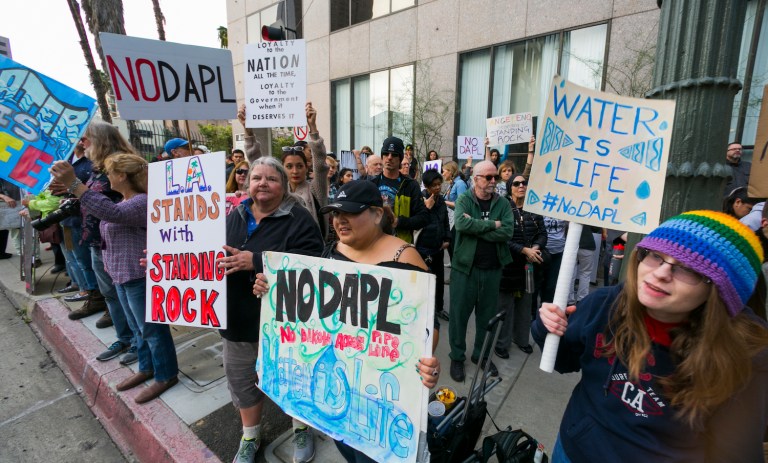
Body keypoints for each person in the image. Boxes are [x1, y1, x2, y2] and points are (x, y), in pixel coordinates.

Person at [534, 210, 768, 462]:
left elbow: (734, 452)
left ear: (723, 292)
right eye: (655, 255)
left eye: (687, 269)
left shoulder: (744, 358)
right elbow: (563, 361)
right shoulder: (605, 304)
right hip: (574, 452)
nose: (661, 273)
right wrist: (546, 327)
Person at [252, 179, 440, 463]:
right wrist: (271, 288)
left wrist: (425, 362)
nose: (340, 220)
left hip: (379, 401)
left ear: (377, 214)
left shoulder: (406, 257)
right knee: (348, 452)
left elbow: (429, 326)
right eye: (336, 213)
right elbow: (309, 306)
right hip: (340, 400)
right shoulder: (331, 251)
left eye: (349, 212)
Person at [51, 153, 179, 404]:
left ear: (122, 175)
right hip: (122, 274)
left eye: (110, 172)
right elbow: (105, 209)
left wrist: (75, 183)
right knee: (137, 328)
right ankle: (146, 367)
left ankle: (166, 374)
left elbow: (108, 212)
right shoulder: (124, 199)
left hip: (139, 275)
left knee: (151, 329)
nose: (107, 177)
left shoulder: (142, 201)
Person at [219, 157, 324, 463]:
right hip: (237, 317)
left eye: (271, 179)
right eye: (256, 177)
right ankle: (250, 436)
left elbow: (312, 263)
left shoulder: (299, 218)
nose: (262, 183)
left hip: (284, 322)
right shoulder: (233, 215)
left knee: (293, 377)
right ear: (246, 183)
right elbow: (210, 254)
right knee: (241, 380)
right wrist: (174, 265)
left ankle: (300, 428)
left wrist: (257, 262)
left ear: (283, 185)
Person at [50, 121, 137, 365]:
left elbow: (113, 206)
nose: (82, 143)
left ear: (101, 139)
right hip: (97, 240)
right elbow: (93, 200)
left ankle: (139, 344)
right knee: (111, 295)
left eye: (86, 139)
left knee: (127, 297)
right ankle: (125, 338)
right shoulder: (99, 168)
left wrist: (75, 186)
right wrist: (69, 193)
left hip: (118, 243)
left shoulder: (122, 165)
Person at [448, 161, 514, 381]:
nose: (493, 181)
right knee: (459, 316)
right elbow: (461, 225)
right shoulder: (464, 199)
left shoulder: (503, 203)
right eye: (488, 177)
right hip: (465, 270)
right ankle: (457, 357)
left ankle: (481, 355)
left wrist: (477, 226)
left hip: (493, 270)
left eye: (495, 176)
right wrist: (492, 225)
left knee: (487, 318)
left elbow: (507, 231)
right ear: (475, 179)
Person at [495, 175, 546, 359]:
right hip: (508, 267)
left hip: (529, 268)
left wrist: (535, 248)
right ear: (510, 188)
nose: (521, 186)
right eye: (516, 183)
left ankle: (522, 340)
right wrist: (524, 250)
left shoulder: (534, 209)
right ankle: (501, 344)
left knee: (526, 305)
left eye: (524, 183)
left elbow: (542, 234)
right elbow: (502, 237)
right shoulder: (503, 208)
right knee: (505, 307)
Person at [280, 102, 329, 239]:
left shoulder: (315, 188)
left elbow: (320, 163)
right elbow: (257, 163)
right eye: (289, 166)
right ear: (282, 168)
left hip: (312, 252)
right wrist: (248, 131)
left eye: (299, 166)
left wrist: (312, 127)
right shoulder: (278, 191)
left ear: (307, 167)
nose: (295, 171)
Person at [369, 136, 429, 244]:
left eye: (394, 154)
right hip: (375, 244)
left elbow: (423, 218)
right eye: (386, 154)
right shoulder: (372, 184)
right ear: (382, 157)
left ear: (400, 158)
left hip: (401, 247)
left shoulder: (410, 185)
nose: (389, 157)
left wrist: (399, 222)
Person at [415, 170, 451, 323]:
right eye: (434, 185)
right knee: (424, 281)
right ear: (427, 186)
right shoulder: (420, 199)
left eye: (439, 184)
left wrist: (447, 238)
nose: (437, 188)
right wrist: (426, 207)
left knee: (439, 279)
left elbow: (446, 222)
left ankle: (439, 308)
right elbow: (417, 221)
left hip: (438, 248)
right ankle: (425, 310)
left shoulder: (441, 201)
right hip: (423, 249)